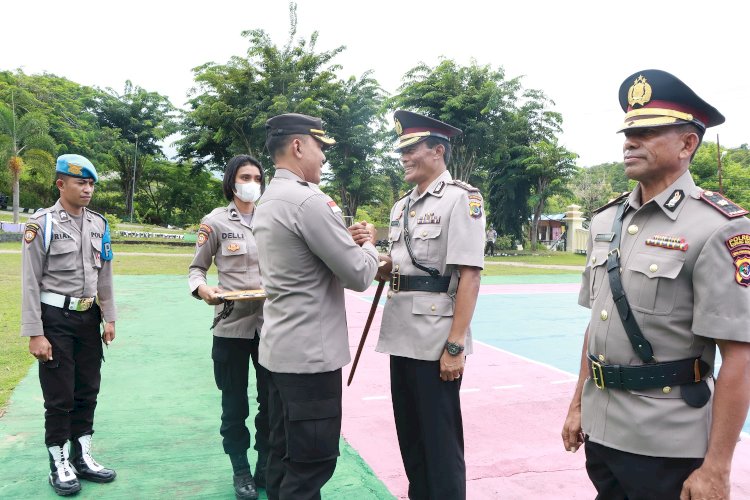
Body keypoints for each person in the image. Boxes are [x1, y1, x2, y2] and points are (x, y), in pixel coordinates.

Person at [561, 69, 750, 499]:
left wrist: (717, 467)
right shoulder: (606, 221)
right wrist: (577, 406)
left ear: (688, 144)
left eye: (647, 132)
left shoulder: (718, 227)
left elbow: (739, 355)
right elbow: (597, 325)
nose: (630, 142)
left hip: (667, 442)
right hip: (604, 432)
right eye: (629, 132)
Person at [252, 113, 379, 500]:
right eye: (320, 147)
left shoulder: (270, 198)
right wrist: (370, 244)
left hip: (278, 352)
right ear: (298, 146)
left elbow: (308, 259)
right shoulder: (309, 201)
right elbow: (358, 275)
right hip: (311, 360)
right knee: (311, 464)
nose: (323, 157)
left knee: (281, 456)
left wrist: (344, 239)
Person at [375, 110, 485, 499]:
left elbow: (469, 276)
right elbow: (397, 269)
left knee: (440, 442)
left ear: (438, 151)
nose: (403, 157)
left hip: (437, 338)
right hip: (401, 333)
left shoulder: (461, 200)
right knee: (411, 437)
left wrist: (455, 346)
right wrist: (371, 260)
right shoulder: (401, 206)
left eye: (411, 149)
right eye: (401, 150)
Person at [21, 154, 117, 496]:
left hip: (88, 318)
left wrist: (109, 317)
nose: (87, 189)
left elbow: (104, 274)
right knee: (60, 395)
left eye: (91, 183)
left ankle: (82, 457)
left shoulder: (99, 224)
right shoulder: (42, 224)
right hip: (55, 320)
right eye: (81, 182)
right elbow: (30, 282)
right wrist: (35, 332)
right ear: (61, 184)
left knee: (87, 390)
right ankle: (59, 463)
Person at [188, 154, 269, 500]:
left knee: (272, 403)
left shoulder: (273, 219)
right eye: (245, 177)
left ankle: (266, 465)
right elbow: (197, 269)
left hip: (271, 328)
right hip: (231, 326)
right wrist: (204, 289)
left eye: (256, 177)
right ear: (232, 182)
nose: (251, 183)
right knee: (234, 406)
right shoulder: (216, 222)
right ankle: (241, 471)